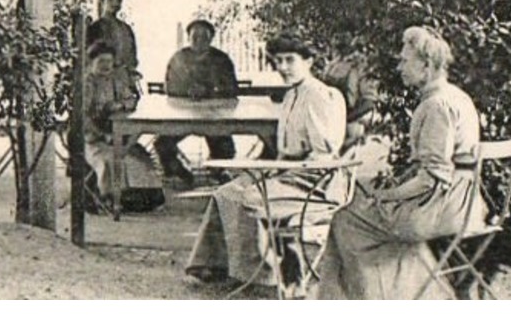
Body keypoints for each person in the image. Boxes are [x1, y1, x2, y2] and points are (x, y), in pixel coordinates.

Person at [311, 26, 485, 300]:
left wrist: (388, 196)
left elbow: (432, 177)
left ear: (426, 65)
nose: (399, 66)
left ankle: (366, 299)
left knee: (346, 219)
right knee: (362, 198)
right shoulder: (456, 96)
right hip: (465, 202)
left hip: (444, 208)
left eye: (405, 60)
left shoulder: (436, 106)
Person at [186, 33, 348, 291]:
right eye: (278, 61)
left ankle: (261, 274)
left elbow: (323, 155)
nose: (282, 67)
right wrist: (262, 168)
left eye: (289, 60)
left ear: (308, 61)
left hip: (314, 183)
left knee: (248, 196)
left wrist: (278, 172)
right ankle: (216, 264)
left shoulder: (318, 95)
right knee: (225, 192)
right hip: (289, 173)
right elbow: (284, 151)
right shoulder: (291, 95)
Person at [154, 19, 239, 181]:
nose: (199, 41)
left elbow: (232, 88)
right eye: (195, 37)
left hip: (214, 116)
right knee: (162, 144)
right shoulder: (178, 58)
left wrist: (210, 91)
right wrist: (187, 92)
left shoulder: (222, 59)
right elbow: (169, 86)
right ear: (188, 38)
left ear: (211, 39)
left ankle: (217, 171)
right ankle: (177, 171)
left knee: (226, 148)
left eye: (204, 37)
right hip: (182, 115)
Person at [81, 41, 139, 216]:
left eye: (109, 61)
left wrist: (119, 105)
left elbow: (131, 99)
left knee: (139, 159)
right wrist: (101, 135)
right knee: (108, 161)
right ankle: (109, 198)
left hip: (116, 134)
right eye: (101, 62)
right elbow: (82, 117)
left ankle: (129, 197)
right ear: (92, 63)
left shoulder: (115, 80)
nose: (106, 66)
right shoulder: (87, 84)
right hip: (92, 137)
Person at [86, 0, 140, 85]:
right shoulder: (95, 28)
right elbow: (90, 61)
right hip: (102, 84)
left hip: (124, 84)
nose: (115, 3)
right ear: (102, 1)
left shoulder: (127, 29)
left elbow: (133, 59)